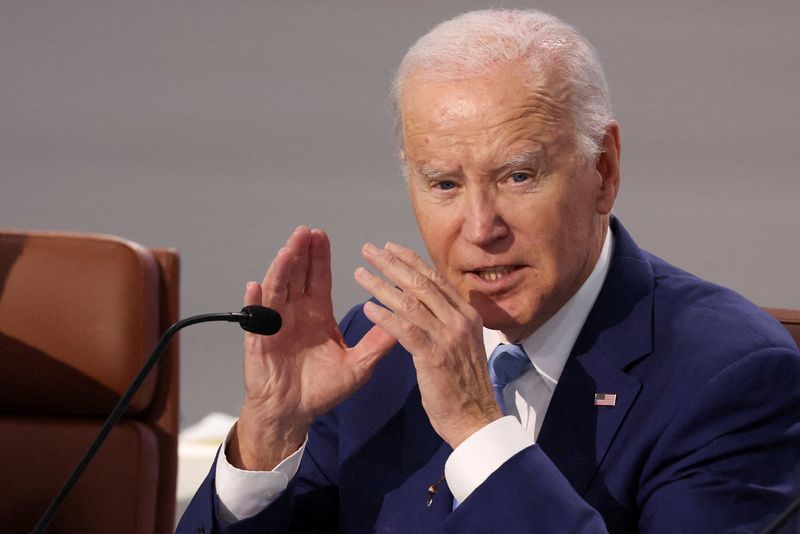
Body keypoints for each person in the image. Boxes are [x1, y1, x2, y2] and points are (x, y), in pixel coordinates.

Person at [178, 9, 800, 533]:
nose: (481, 228)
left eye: (518, 176)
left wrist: (479, 431)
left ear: (603, 171)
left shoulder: (732, 377)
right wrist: (269, 437)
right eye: (444, 183)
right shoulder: (380, 354)